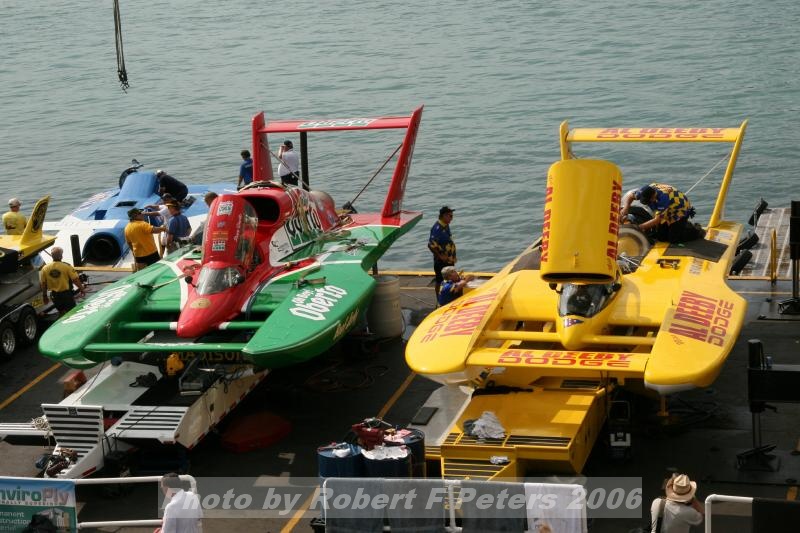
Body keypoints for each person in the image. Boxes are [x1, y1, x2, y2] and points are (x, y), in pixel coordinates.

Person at [621, 183, 701, 243]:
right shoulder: (644, 192)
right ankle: (678, 227)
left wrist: (637, 228)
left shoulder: (663, 199)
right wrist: (626, 207)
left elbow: (657, 220)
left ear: (653, 198)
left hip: (679, 209)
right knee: (661, 237)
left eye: (648, 202)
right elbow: (631, 196)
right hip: (665, 210)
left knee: (674, 239)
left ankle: (696, 230)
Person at [40, 247, 86, 316]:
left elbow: (43, 284)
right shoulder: (66, 266)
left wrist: (44, 296)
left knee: (62, 313)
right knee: (72, 313)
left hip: (55, 296)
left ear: (52, 256)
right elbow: (75, 280)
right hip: (66, 295)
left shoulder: (44, 268)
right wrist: (82, 289)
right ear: (61, 256)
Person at [428, 206, 457, 301]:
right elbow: (430, 245)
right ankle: (439, 300)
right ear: (444, 216)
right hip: (441, 261)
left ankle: (450, 297)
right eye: (450, 216)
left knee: (451, 278)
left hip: (449, 259)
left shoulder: (446, 225)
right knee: (440, 280)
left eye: (452, 216)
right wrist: (440, 256)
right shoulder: (437, 228)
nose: (452, 218)